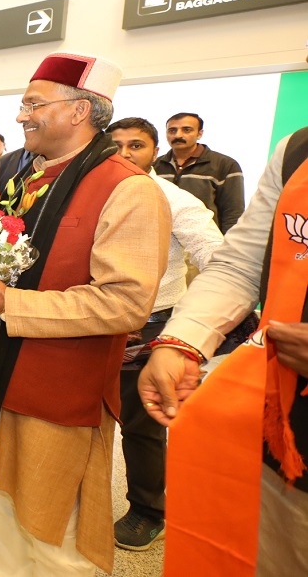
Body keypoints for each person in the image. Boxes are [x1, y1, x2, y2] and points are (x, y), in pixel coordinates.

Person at [0, 52, 170, 576]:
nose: (22, 115)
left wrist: (7, 303)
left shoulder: (128, 189)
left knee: (55, 540)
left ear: (80, 112)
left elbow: (125, 302)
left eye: (33, 104)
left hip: (58, 392)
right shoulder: (28, 179)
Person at [139, 126, 308, 577]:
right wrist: (182, 343)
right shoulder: (297, 151)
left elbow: (209, 243)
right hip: (282, 422)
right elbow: (239, 262)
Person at [107, 117, 224, 551]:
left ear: (154, 152)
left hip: (150, 330)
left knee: (141, 426)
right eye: (115, 145)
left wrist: (192, 331)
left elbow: (218, 260)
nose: (123, 154)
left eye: (135, 146)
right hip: (95, 323)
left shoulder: (174, 200)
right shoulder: (100, 193)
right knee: (88, 416)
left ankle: (148, 511)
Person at [153, 112, 245, 233]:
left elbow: (233, 213)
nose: (178, 135)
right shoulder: (154, 166)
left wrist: (227, 247)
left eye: (186, 130)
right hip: (163, 240)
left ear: (200, 134)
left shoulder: (225, 165)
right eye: (172, 131)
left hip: (204, 241)